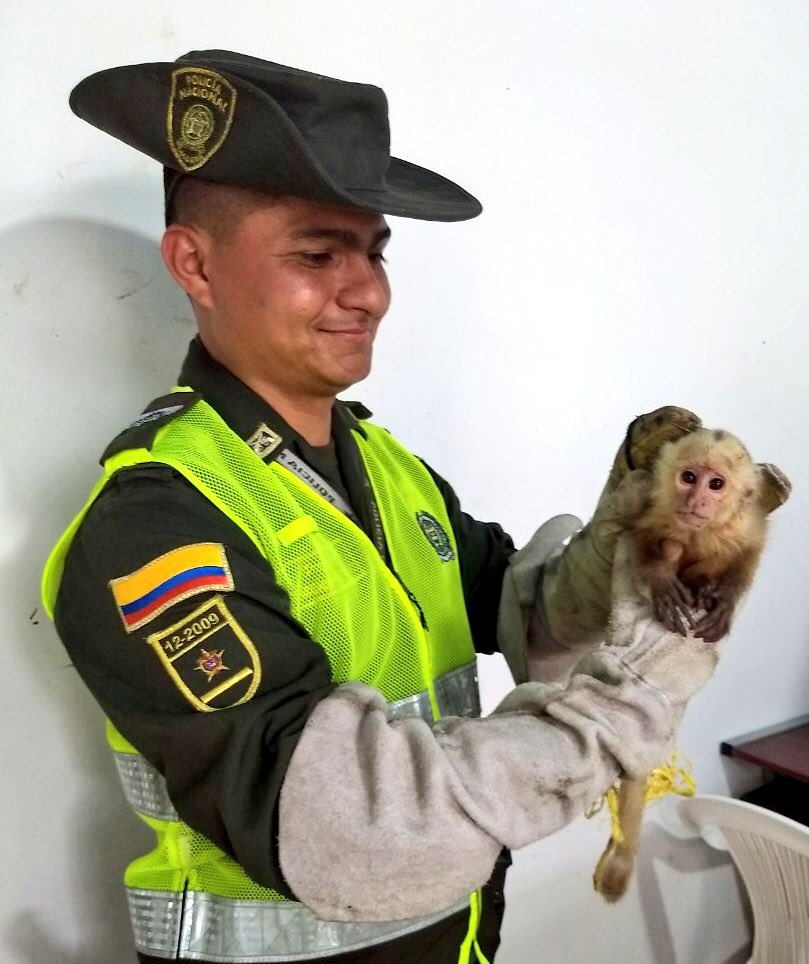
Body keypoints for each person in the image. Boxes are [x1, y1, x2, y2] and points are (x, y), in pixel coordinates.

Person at [42, 49, 722, 964]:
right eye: (316, 255)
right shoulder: (154, 527)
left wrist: (626, 555)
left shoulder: (379, 461)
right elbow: (357, 833)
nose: (367, 292)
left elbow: (509, 608)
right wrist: (626, 708)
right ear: (193, 263)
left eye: (373, 252)